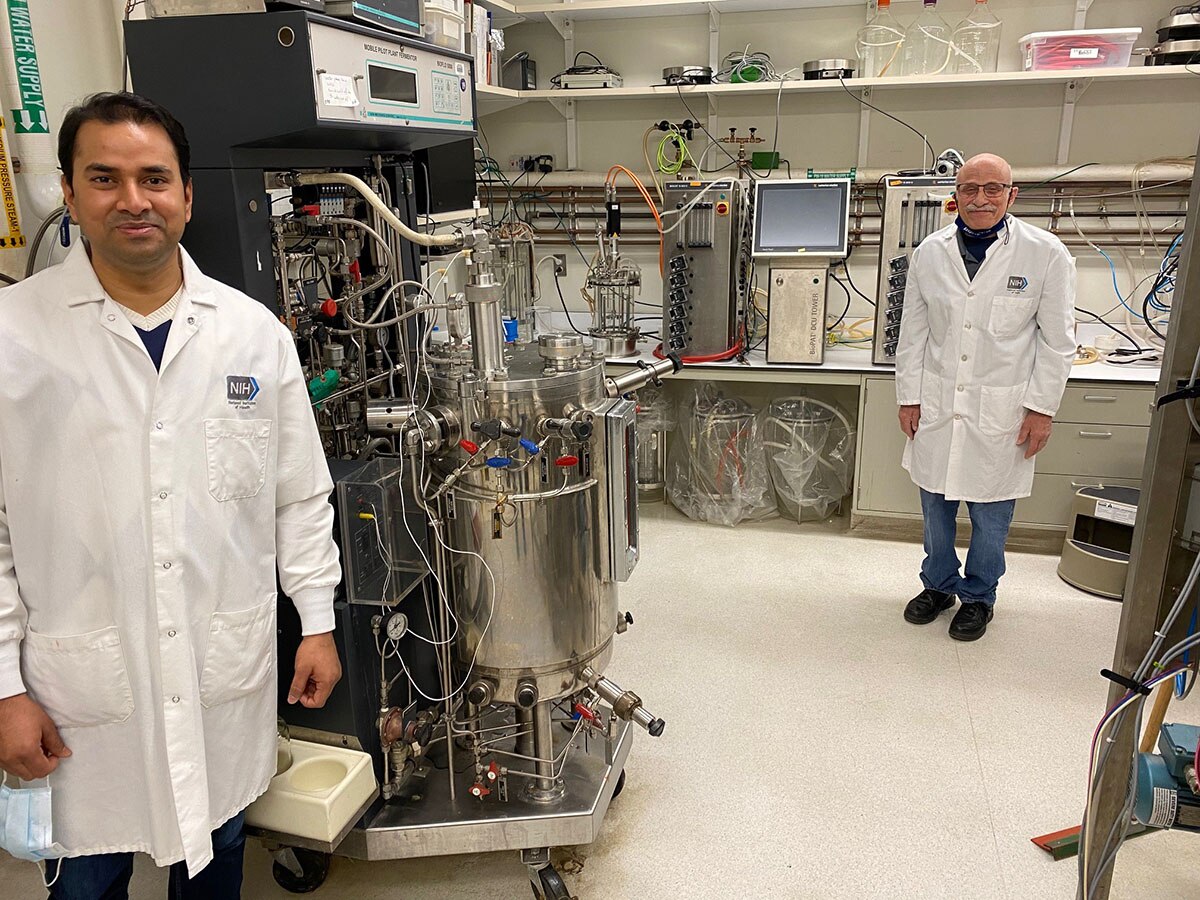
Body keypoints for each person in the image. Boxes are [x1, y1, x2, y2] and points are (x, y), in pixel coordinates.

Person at [0, 92, 343, 898]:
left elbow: (297, 496)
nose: (133, 200)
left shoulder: (253, 334)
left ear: (187, 195)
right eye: (105, 178)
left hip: (219, 672)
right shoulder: (13, 336)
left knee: (219, 847)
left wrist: (317, 623)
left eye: (154, 178)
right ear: (69, 193)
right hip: (77, 693)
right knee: (84, 876)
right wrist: (5, 690)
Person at [895, 152, 1076, 641]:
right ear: (955, 197)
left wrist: (1042, 411)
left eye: (992, 188)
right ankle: (937, 585)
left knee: (990, 513)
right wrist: (908, 397)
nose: (980, 198)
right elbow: (912, 334)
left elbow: (1058, 342)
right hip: (936, 402)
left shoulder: (1045, 253)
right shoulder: (929, 253)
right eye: (970, 189)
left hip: (1004, 409)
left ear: (1011, 195)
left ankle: (979, 596)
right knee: (934, 505)